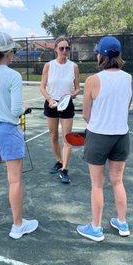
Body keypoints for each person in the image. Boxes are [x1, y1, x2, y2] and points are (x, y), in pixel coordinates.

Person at [0, 32, 38, 239]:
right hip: (8, 132)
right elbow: (14, 111)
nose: (14, 54)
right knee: (15, 180)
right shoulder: (13, 76)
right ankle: (18, 225)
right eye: (14, 51)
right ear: (8, 52)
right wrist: (24, 108)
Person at [77, 36, 132, 242]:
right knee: (118, 181)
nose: (97, 55)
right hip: (121, 136)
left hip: (98, 137)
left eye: (98, 52)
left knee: (97, 185)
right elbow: (126, 107)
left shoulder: (93, 80)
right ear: (118, 55)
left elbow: (85, 114)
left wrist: (99, 124)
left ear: (101, 55)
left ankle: (96, 228)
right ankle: (122, 222)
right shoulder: (128, 78)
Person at [40, 36, 80, 184]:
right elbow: (42, 87)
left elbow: (77, 88)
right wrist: (50, 99)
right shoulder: (48, 66)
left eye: (67, 48)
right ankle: (58, 160)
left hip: (67, 104)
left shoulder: (74, 67)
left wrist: (72, 95)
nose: (64, 50)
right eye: (61, 48)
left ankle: (64, 169)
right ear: (56, 49)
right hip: (51, 104)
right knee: (53, 136)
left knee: (67, 138)